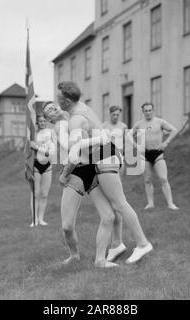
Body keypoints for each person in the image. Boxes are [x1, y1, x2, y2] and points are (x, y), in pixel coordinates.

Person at [56, 81, 153, 265]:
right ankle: (116, 245)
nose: (57, 101)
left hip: (103, 156)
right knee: (112, 208)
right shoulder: (82, 108)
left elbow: (74, 152)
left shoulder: (76, 119)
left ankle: (142, 243)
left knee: (119, 203)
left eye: (59, 98)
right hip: (105, 154)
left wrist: (64, 174)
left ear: (67, 101)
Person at [43, 102, 119, 268]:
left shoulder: (76, 117)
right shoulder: (59, 127)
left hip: (93, 168)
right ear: (48, 119)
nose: (54, 108)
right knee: (67, 226)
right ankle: (74, 255)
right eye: (49, 109)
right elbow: (72, 150)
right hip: (74, 173)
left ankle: (100, 260)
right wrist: (64, 175)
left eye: (54, 105)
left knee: (109, 216)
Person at [133, 103, 179, 211]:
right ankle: (150, 203)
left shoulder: (159, 122)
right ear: (143, 112)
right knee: (147, 180)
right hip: (145, 154)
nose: (148, 112)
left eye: (150, 110)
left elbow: (174, 130)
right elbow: (129, 134)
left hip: (158, 154)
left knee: (163, 178)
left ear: (153, 110)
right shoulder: (139, 124)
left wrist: (166, 142)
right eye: (146, 111)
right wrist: (136, 146)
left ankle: (170, 204)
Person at [29, 115, 55, 227]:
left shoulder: (51, 133)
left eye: (44, 121)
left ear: (47, 121)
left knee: (44, 194)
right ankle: (34, 220)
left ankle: (41, 219)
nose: (43, 123)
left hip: (47, 166)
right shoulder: (34, 135)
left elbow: (51, 152)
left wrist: (38, 148)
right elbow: (29, 149)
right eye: (40, 121)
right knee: (35, 194)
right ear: (38, 123)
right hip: (36, 165)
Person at [102, 106, 128, 176]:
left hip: (119, 155)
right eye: (114, 114)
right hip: (107, 156)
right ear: (109, 114)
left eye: (117, 115)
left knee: (119, 180)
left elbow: (126, 142)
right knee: (108, 179)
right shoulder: (103, 126)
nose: (116, 117)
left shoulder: (123, 126)